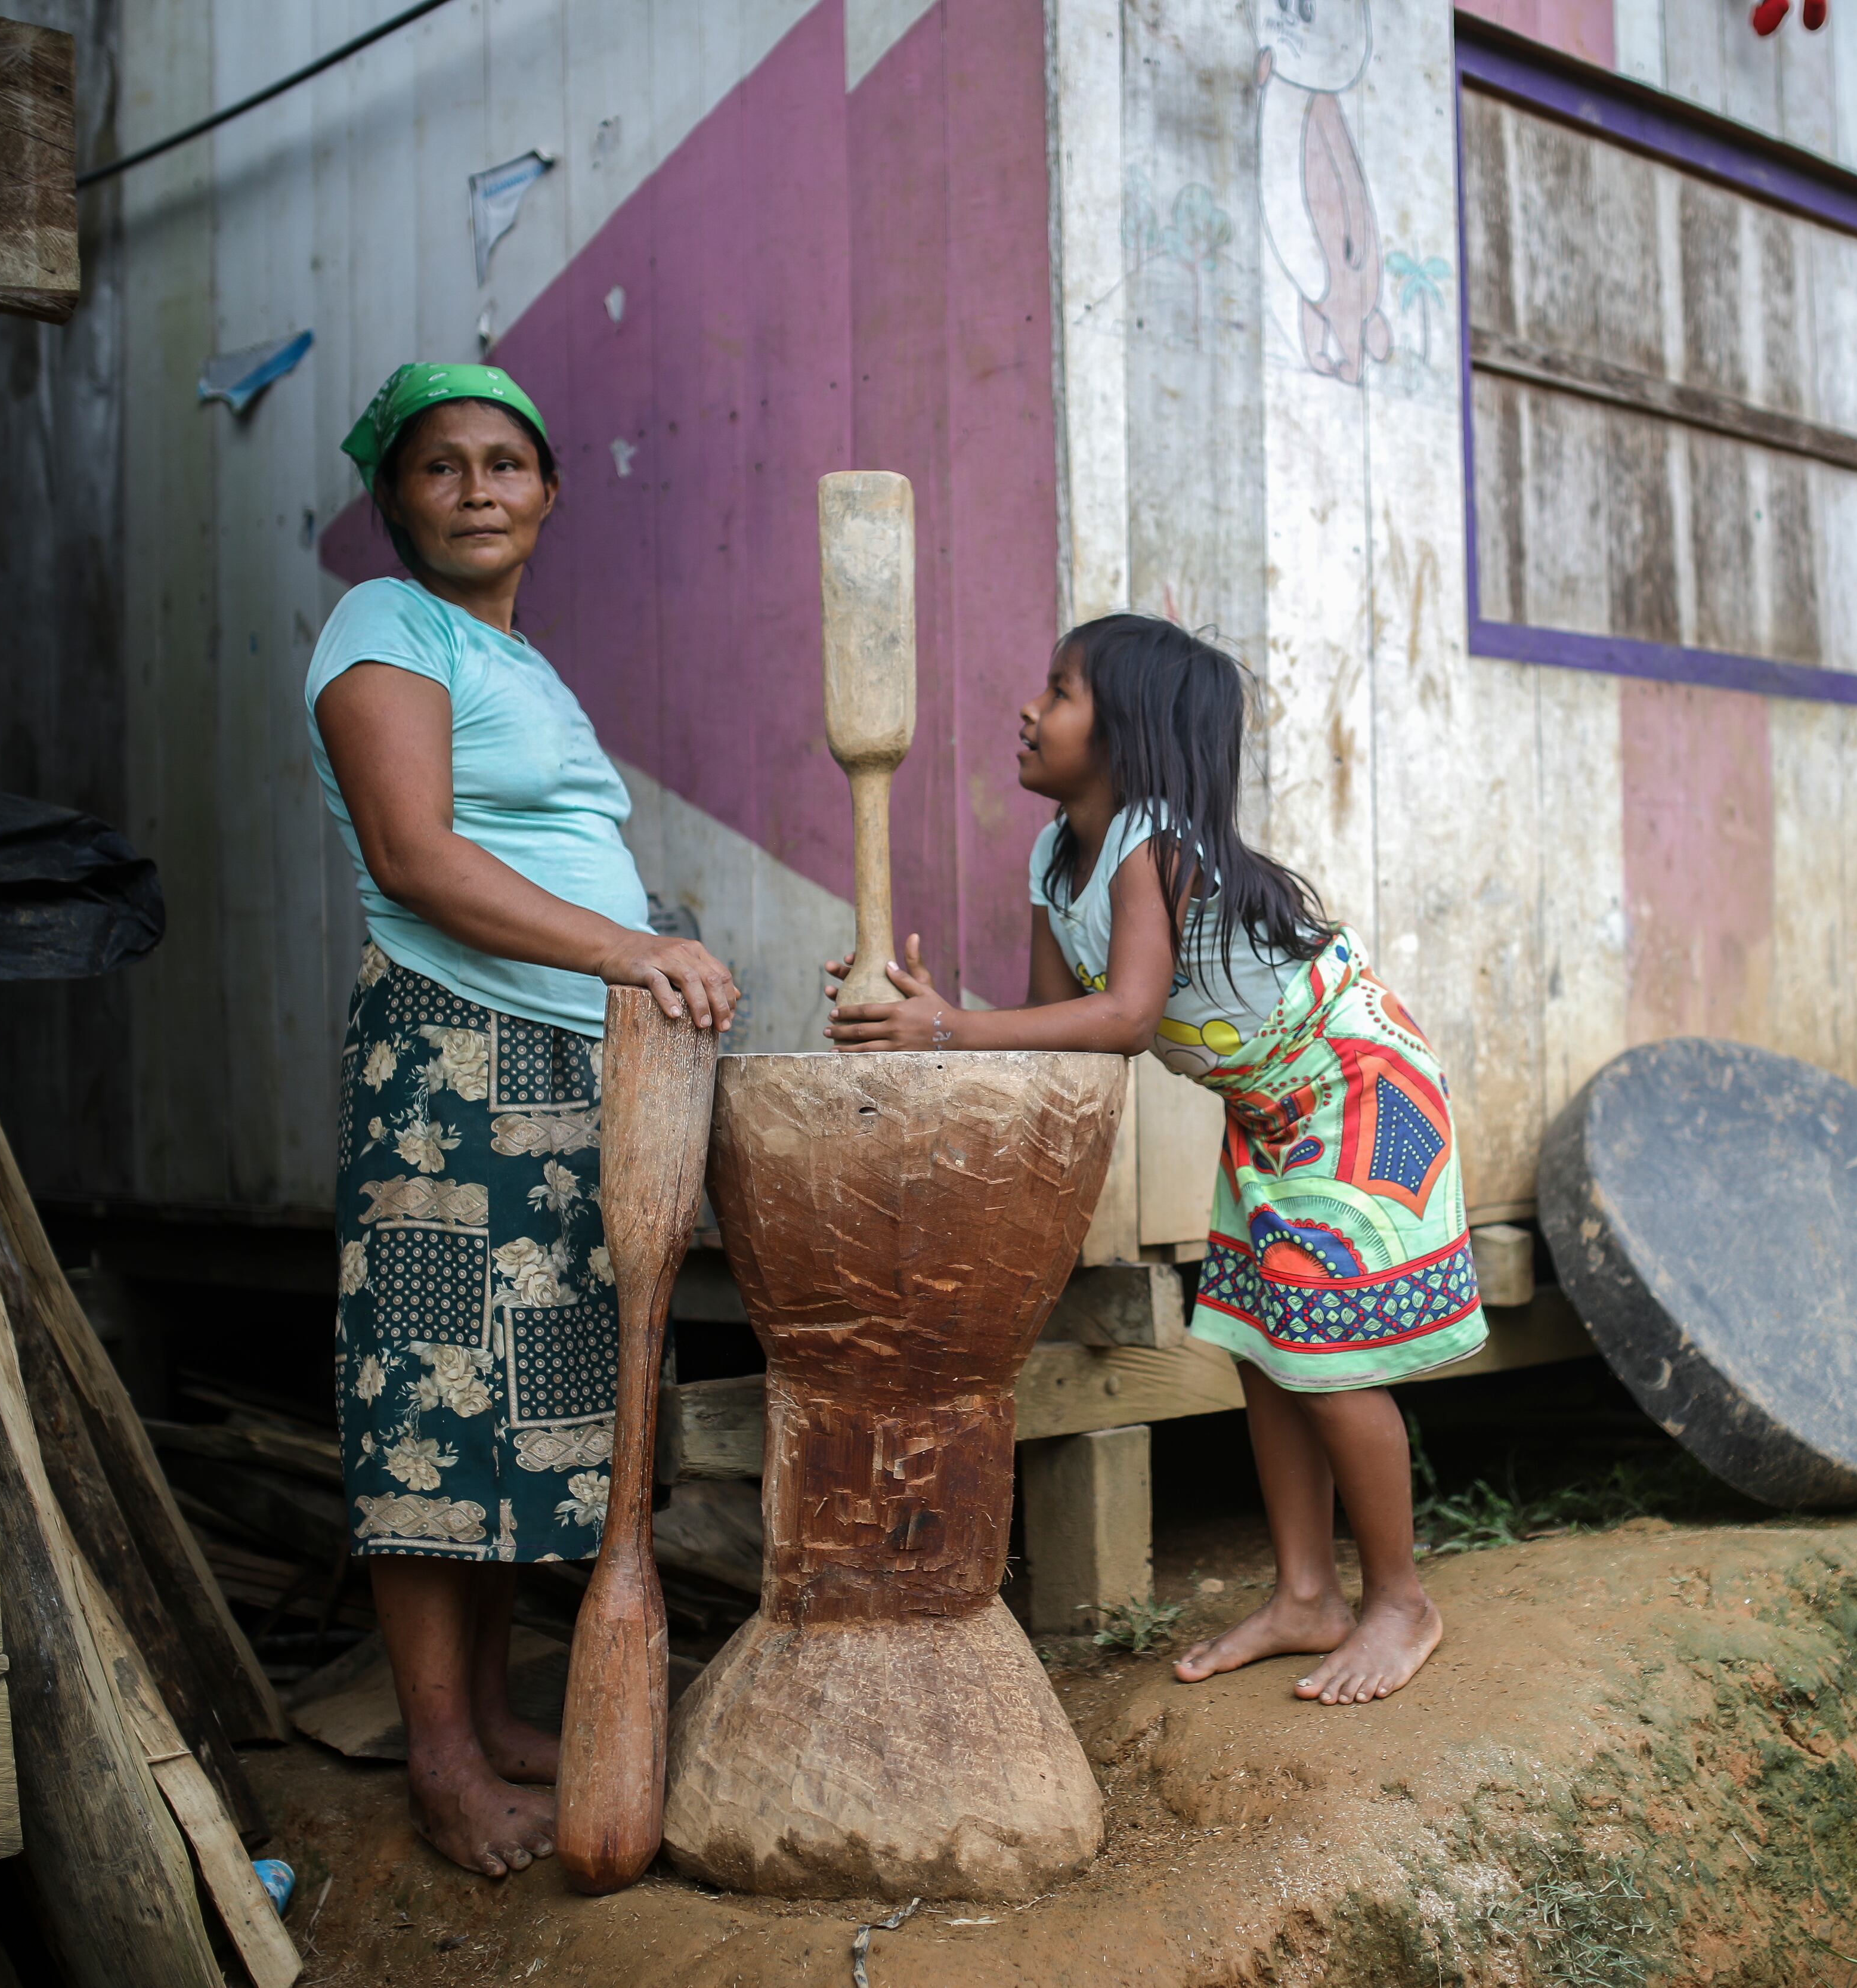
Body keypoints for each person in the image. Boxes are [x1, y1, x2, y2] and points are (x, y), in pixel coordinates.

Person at [822, 614, 1484, 1705]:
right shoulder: (1054, 855)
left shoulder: (1154, 842)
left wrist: (947, 1030)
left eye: (1061, 690)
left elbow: (1125, 1016)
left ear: (1127, 734)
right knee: (1268, 1347)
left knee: (1328, 1361)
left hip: (1352, 1082)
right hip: (1269, 1111)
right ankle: (1308, 1593)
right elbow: (1053, 1029)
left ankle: (1401, 1598)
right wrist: (918, 1015)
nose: (1029, 709)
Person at [304, 363, 739, 1876]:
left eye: (506, 463)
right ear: (395, 500)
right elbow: (417, 855)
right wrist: (634, 949)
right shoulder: (383, 626)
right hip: (453, 1061)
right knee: (434, 1401)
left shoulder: (519, 658)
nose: (478, 487)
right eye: (441, 466)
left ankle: (489, 1716)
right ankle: (440, 1761)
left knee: (507, 1405)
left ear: (548, 494)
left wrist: (633, 977)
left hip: (565, 1060)